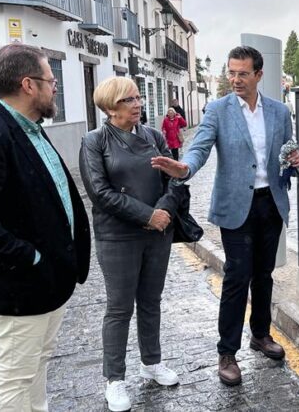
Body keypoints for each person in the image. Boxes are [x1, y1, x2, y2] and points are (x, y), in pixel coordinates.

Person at [151, 46, 299, 387]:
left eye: (242, 73)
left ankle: (260, 335)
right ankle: (227, 352)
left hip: (271, 202)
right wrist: (185, 166)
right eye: (231, 72)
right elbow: (201, 146)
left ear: (258, 75)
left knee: (264, 275)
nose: (235, 79)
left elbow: (287, 146)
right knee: (237, 277)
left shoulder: (279, 112)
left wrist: (294, 156)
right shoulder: (218, 110)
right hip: (236, 205)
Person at [0, 43, 91, 411]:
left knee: (36, 367)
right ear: (28, 84)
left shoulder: (31, 130)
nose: (55, 86)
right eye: (50, 79)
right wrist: (31, 257)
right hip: (19, 287)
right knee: (13, 378)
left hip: (47, 283)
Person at [79, 77, 182, 411]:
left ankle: (151, 363)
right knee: (120, 307)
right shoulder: (94, 141)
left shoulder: (152, 135)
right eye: (128, 100)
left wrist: (164, 210)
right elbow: (100, 193)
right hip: (118, 236)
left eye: (138, 98)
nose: (138, 104)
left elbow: (175, 179)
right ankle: (115, 379)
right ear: (110, 107)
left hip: (158, 232)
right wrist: (146, 215)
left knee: (151, 300)